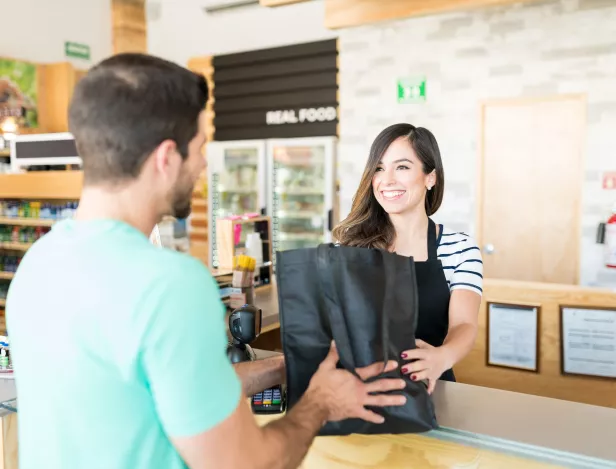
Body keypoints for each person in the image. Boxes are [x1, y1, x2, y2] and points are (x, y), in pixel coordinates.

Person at [6, 54, 407, 469]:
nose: (203, 164)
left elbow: (163, 389)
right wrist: (320, 404)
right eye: (199, 149)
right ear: (165, 157)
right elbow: (248, 464)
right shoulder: (170, 284)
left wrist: (284, 367)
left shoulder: (38, 264)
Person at [333, 123, 483, 394]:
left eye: (402, 167)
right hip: (358, 392)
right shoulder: (347, 247)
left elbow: (464, 324)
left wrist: (443, 356)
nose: (387, 180)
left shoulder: (459, 249)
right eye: (379, 168)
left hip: (428, 390)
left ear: (430, 178)